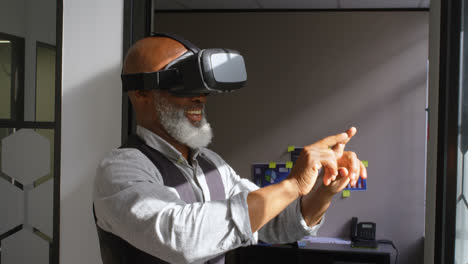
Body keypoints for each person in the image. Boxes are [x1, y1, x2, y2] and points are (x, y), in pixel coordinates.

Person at [93, 34, 367, 264]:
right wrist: (293, 184)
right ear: (141, 92)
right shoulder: (121, 170)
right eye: (184, 83)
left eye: (202, 87)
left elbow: (278, 223)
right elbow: (181, 238)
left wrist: (324, 191)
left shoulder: (213, 165)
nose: (199, 96)